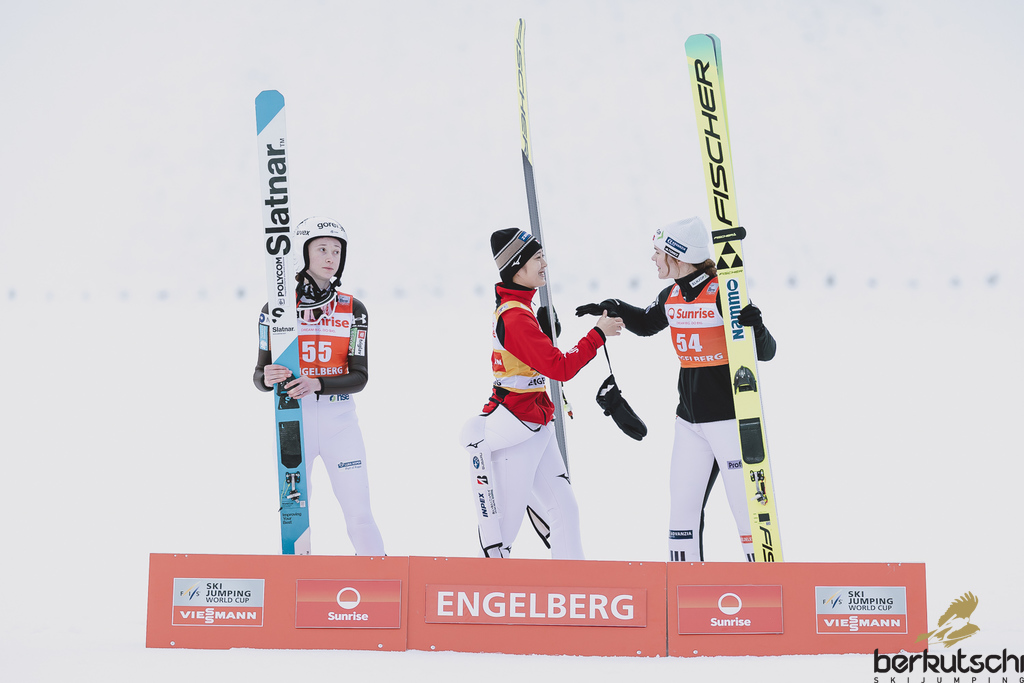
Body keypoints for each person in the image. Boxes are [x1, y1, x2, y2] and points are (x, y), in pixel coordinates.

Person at [576, 216, 776, 562]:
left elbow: (767, 351)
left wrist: (755, 326)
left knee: (747, 513)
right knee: (682, 514)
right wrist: (613, 307)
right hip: (689, 424)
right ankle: (686, 585)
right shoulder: (671, 295)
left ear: (678, 255)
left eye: (658, 252)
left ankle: (766, 580)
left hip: (729, 422)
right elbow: (646, 323)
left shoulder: (722, 292)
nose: (653, 259)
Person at [460, 228, 623, 558]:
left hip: (536, 421)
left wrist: (546, 335)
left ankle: (571, 583)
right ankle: (483, 589)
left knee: (565, 512)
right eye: (537, 258)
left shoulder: (522, 311)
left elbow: (538, 363)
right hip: (516, 428)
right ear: (518, 269)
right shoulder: (515, 317)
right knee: (502, 536)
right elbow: (559, 368)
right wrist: (597, 335)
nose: (545, 264)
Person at [252, 216, 385, 556]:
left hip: (340, 423)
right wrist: (267, 377)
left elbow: (360, 376)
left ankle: (380, 578)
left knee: (359, 514)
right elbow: (259, 375)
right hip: (292, 425)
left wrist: (317, 383)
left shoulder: (354, 310)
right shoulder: (275, 310)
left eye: (337, 251)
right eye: (322, 249)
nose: (330, 257)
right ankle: (296, 578)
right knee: (294, 516)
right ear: (303, 253)